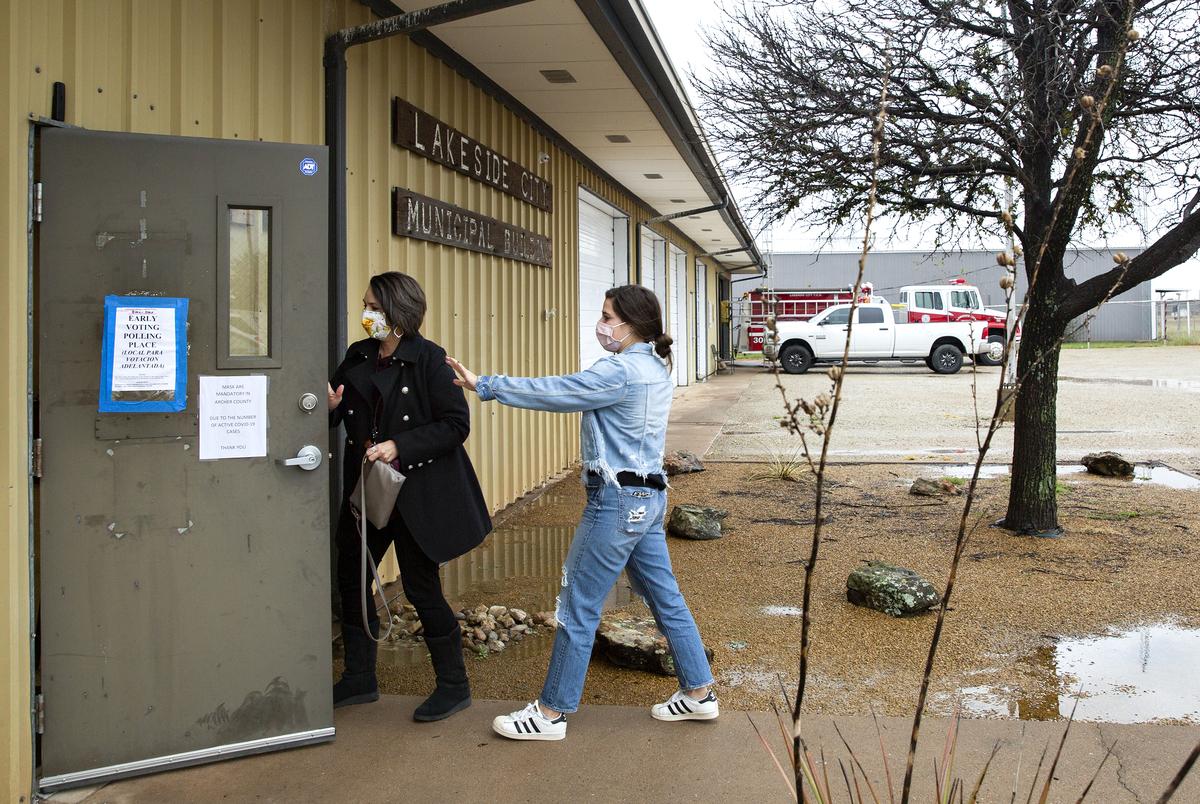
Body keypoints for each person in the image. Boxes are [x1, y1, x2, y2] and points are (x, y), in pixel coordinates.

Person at [446, 284, 717, 742]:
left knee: (577, 605)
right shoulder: (654, 366)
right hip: (649, 499)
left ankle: (550, 714)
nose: (601, 324)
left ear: (631, 324)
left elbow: (561, 391)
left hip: (616, 503)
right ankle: (698, 692)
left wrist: (487, 384)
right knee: (665, 598)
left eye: (608, 316)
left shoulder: (621, 371)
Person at [328, 271, 491, 721]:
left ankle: (454, 686)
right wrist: (328, 409)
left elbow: (456, 425)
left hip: (418, 496)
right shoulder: (358, 355)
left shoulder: (430, 360)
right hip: (369, 491)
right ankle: (360, 678)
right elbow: (339, 409)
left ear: (399, 315)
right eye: (365, 306)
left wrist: (401, 445)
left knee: (421, 588)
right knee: (352, 581)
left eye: (374, 308)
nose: (366, 315)